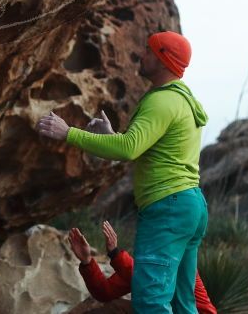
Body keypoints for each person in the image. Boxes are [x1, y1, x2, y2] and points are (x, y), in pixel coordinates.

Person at [37, 31, 209, 313]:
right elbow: (141, 148)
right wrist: (111, 136)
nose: (141, 54)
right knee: (182, 300)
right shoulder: (182, 101)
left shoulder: (162, 101)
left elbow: (128, 148)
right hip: (190, 205)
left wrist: (68, 133)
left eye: (148, 51)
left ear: (163, 59)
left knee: (151, 301)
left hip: (168, 207)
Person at [67, 221, 216, 313]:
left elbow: (148, 275)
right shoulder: (144, 267)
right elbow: (104, 292)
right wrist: (87, 261)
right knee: (114, 307)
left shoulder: (181, 262)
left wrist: (115, 254)